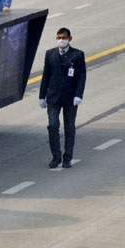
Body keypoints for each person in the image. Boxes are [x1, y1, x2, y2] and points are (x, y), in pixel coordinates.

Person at [39, 28, 86, 169]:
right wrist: (42, 96)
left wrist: (78, 95)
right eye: (58, 37)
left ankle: (67, 158)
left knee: (69, 128)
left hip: (70, 98)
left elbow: (81, 77)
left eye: (63, 37)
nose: (61, 40)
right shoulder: (50, 54)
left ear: (69, 38)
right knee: (53, 126)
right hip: (53, 97)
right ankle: (56, 157)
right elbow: (46, 76)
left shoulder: (77, 55)